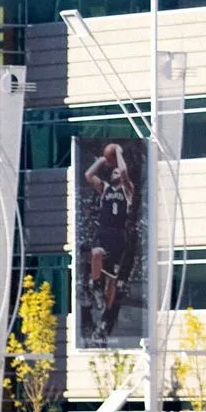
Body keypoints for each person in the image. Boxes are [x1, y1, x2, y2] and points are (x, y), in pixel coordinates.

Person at [84, 142, 139, 338]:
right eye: (114, 171)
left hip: (119, 235)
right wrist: (102, 159)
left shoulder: (128, 189)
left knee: (113, 281)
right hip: (104, 231)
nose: (117, 173)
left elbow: (124, 173)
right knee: (96, 253)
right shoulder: (105, 188)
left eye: (118, 171)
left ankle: (107, 311)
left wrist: (118, 152)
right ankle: (95, 285)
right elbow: (88, 176)